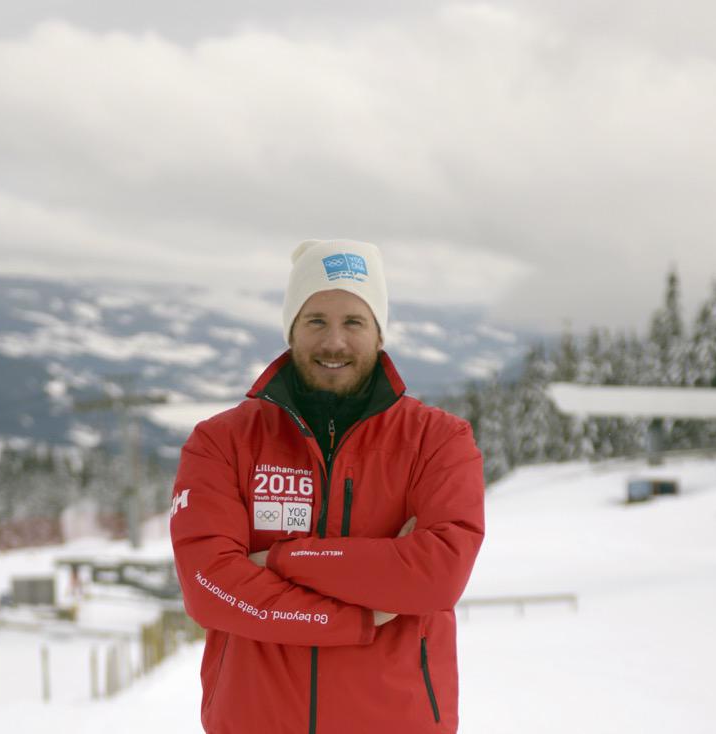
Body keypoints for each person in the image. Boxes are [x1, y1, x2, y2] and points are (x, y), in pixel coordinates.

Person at [169, 240, 485, 733]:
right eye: (316, 320)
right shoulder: (221, 442)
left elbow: (439, 575)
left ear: (379, 334)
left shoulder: (439, 441)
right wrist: (361, 616)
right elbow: (209, 587)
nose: (334, 341)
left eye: (354, 322)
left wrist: (280, 559)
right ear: (291, 329)